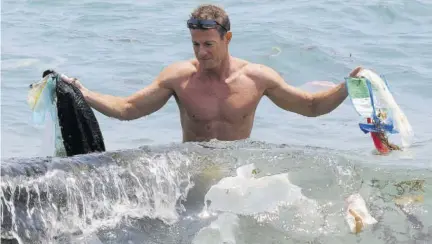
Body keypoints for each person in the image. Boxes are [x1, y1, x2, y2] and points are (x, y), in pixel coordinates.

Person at [63, 4, 362, 143]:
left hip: (237, 174)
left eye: (208, 44)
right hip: (193, 170)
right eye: (195, 45)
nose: (201, 52)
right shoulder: (179, 78)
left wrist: (347, 86)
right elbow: (128, 109)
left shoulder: (257, 78)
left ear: (227, 39)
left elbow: (310, 106)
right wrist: (83, 93)